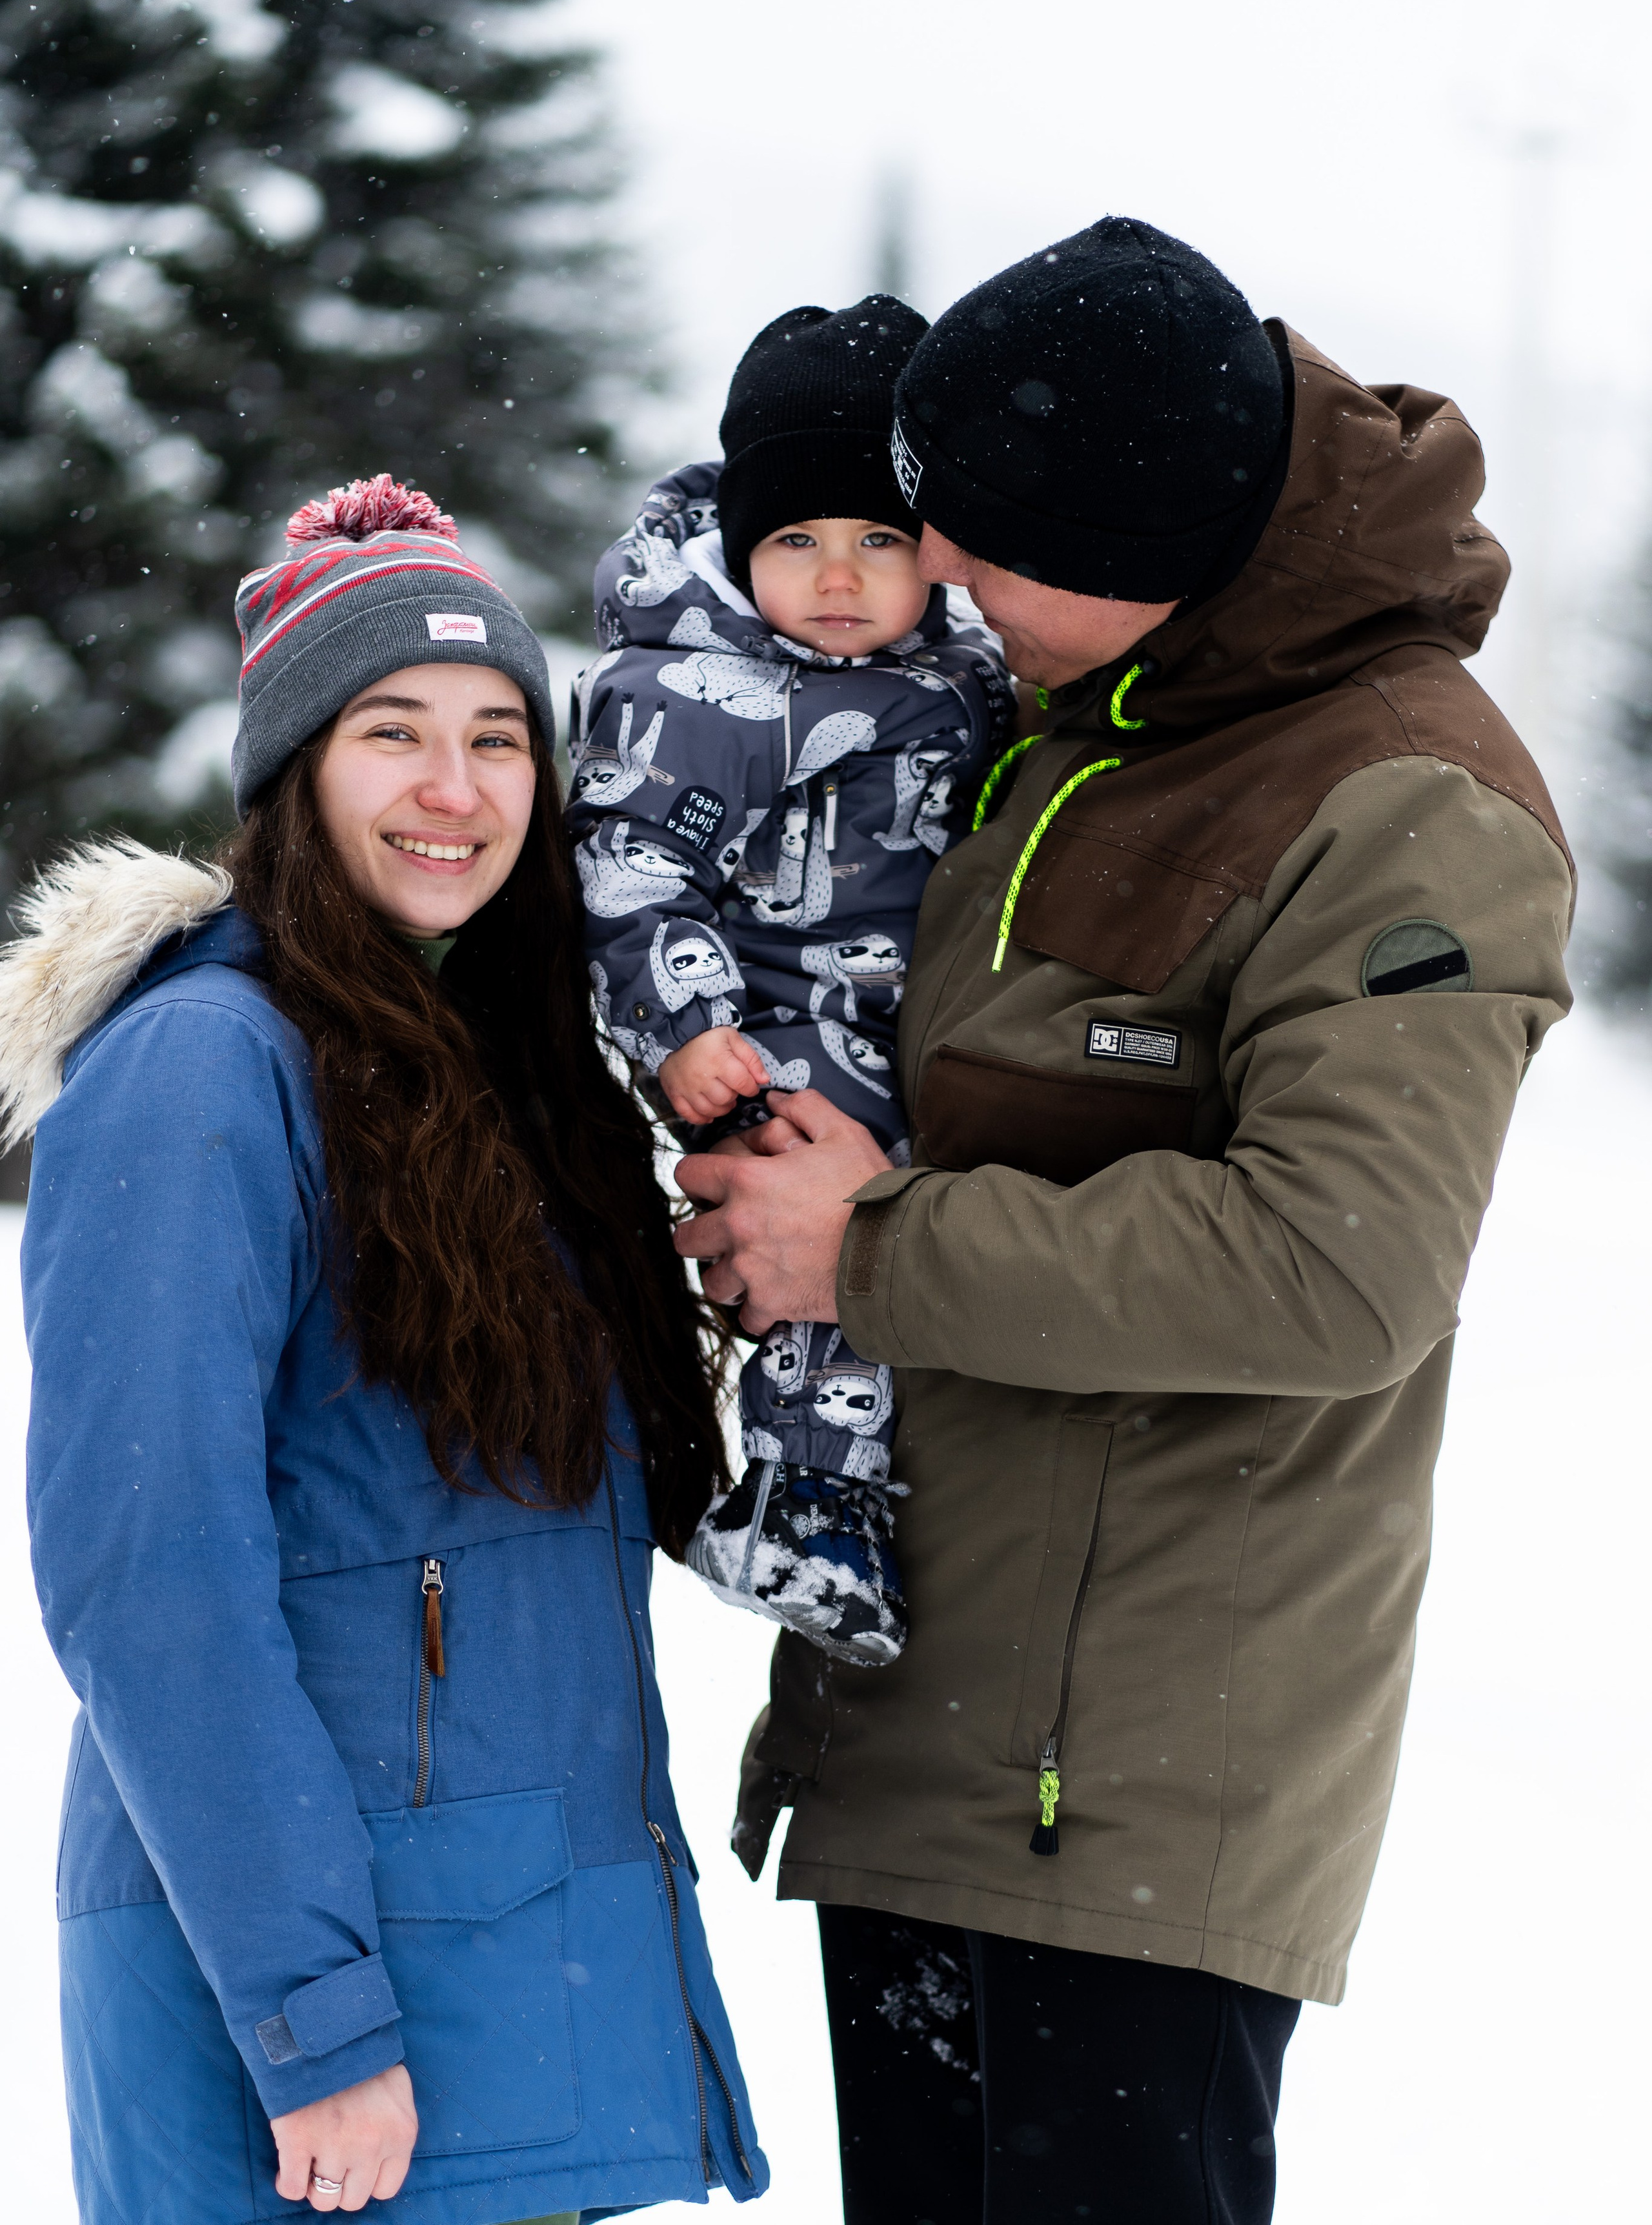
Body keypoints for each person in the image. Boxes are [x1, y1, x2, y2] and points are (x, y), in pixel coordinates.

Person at [675, 220, 1575, 2223]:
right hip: (932, 1723)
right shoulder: (1066, 722)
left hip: (1133, 1793)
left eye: (987, 544)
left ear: (1147, 532)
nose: (948, 586)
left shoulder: (1403, 802)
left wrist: (873, 1249)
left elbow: (1341, 1267)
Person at [4, 476, 766, 2225]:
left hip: (491, 1988)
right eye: (392, 733)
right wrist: (318, 2020)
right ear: (294, 772)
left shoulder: (485, 1089)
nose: (457, 788)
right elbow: (149, 1574)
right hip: (325, 2014)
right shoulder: (207, 1064)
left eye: (501, 737)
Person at [568, 298, 1008, 1668]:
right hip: (778, 1029)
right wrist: (688, 1027)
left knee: (897, 1251)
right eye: (796, 541)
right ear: (739, 547)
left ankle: (848, 1499)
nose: (838, 577)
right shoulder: (703, 692)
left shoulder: (964, 670)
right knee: (828, 1265)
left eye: (880, 540)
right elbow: (629, 861)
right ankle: (803, 1505)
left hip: (906, 1021)